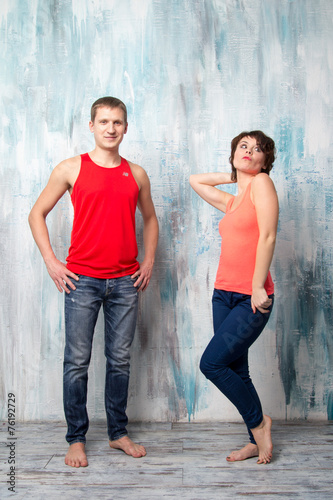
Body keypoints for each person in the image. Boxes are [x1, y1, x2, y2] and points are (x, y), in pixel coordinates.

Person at [28, 96, 159, 468]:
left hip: (124, 282)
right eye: (103, 122)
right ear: (91, 126)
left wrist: (148, 260)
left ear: (126, 128)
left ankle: (118, 433)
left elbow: (150, 219)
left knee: (119, 361)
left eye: (117, 122)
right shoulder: (71, 168)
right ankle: (76, 439)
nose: (110, 128)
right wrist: (53, 262)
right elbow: (36, 214)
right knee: (77, 362)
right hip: (81, 280)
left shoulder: (136, 174)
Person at [190, 131, 278, 464]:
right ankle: (254, 439)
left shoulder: (262, 185)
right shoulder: (234, 200)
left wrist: (258, 286)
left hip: (250, 297)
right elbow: (195, 180)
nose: (249, 151)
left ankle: (259, 424)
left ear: (265, 161)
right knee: (237, 370)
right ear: (233, 154)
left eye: (258, 150)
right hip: (222, 295)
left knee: (211, 364)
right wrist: (233, 175)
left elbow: (268, 235)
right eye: (243, 146)